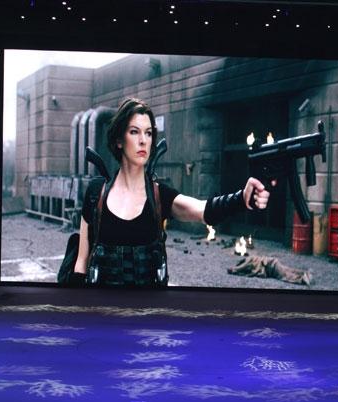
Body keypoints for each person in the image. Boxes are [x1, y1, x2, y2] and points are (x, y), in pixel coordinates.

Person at [70, 97, 272, 287]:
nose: (143, 140)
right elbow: (81, 263)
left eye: (149, 133)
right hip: (104, 310)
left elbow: (204, 210)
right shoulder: (96, 193)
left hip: (148, 311)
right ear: (118, 140)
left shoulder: (160, 196)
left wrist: (241, 198)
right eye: (134, 132)